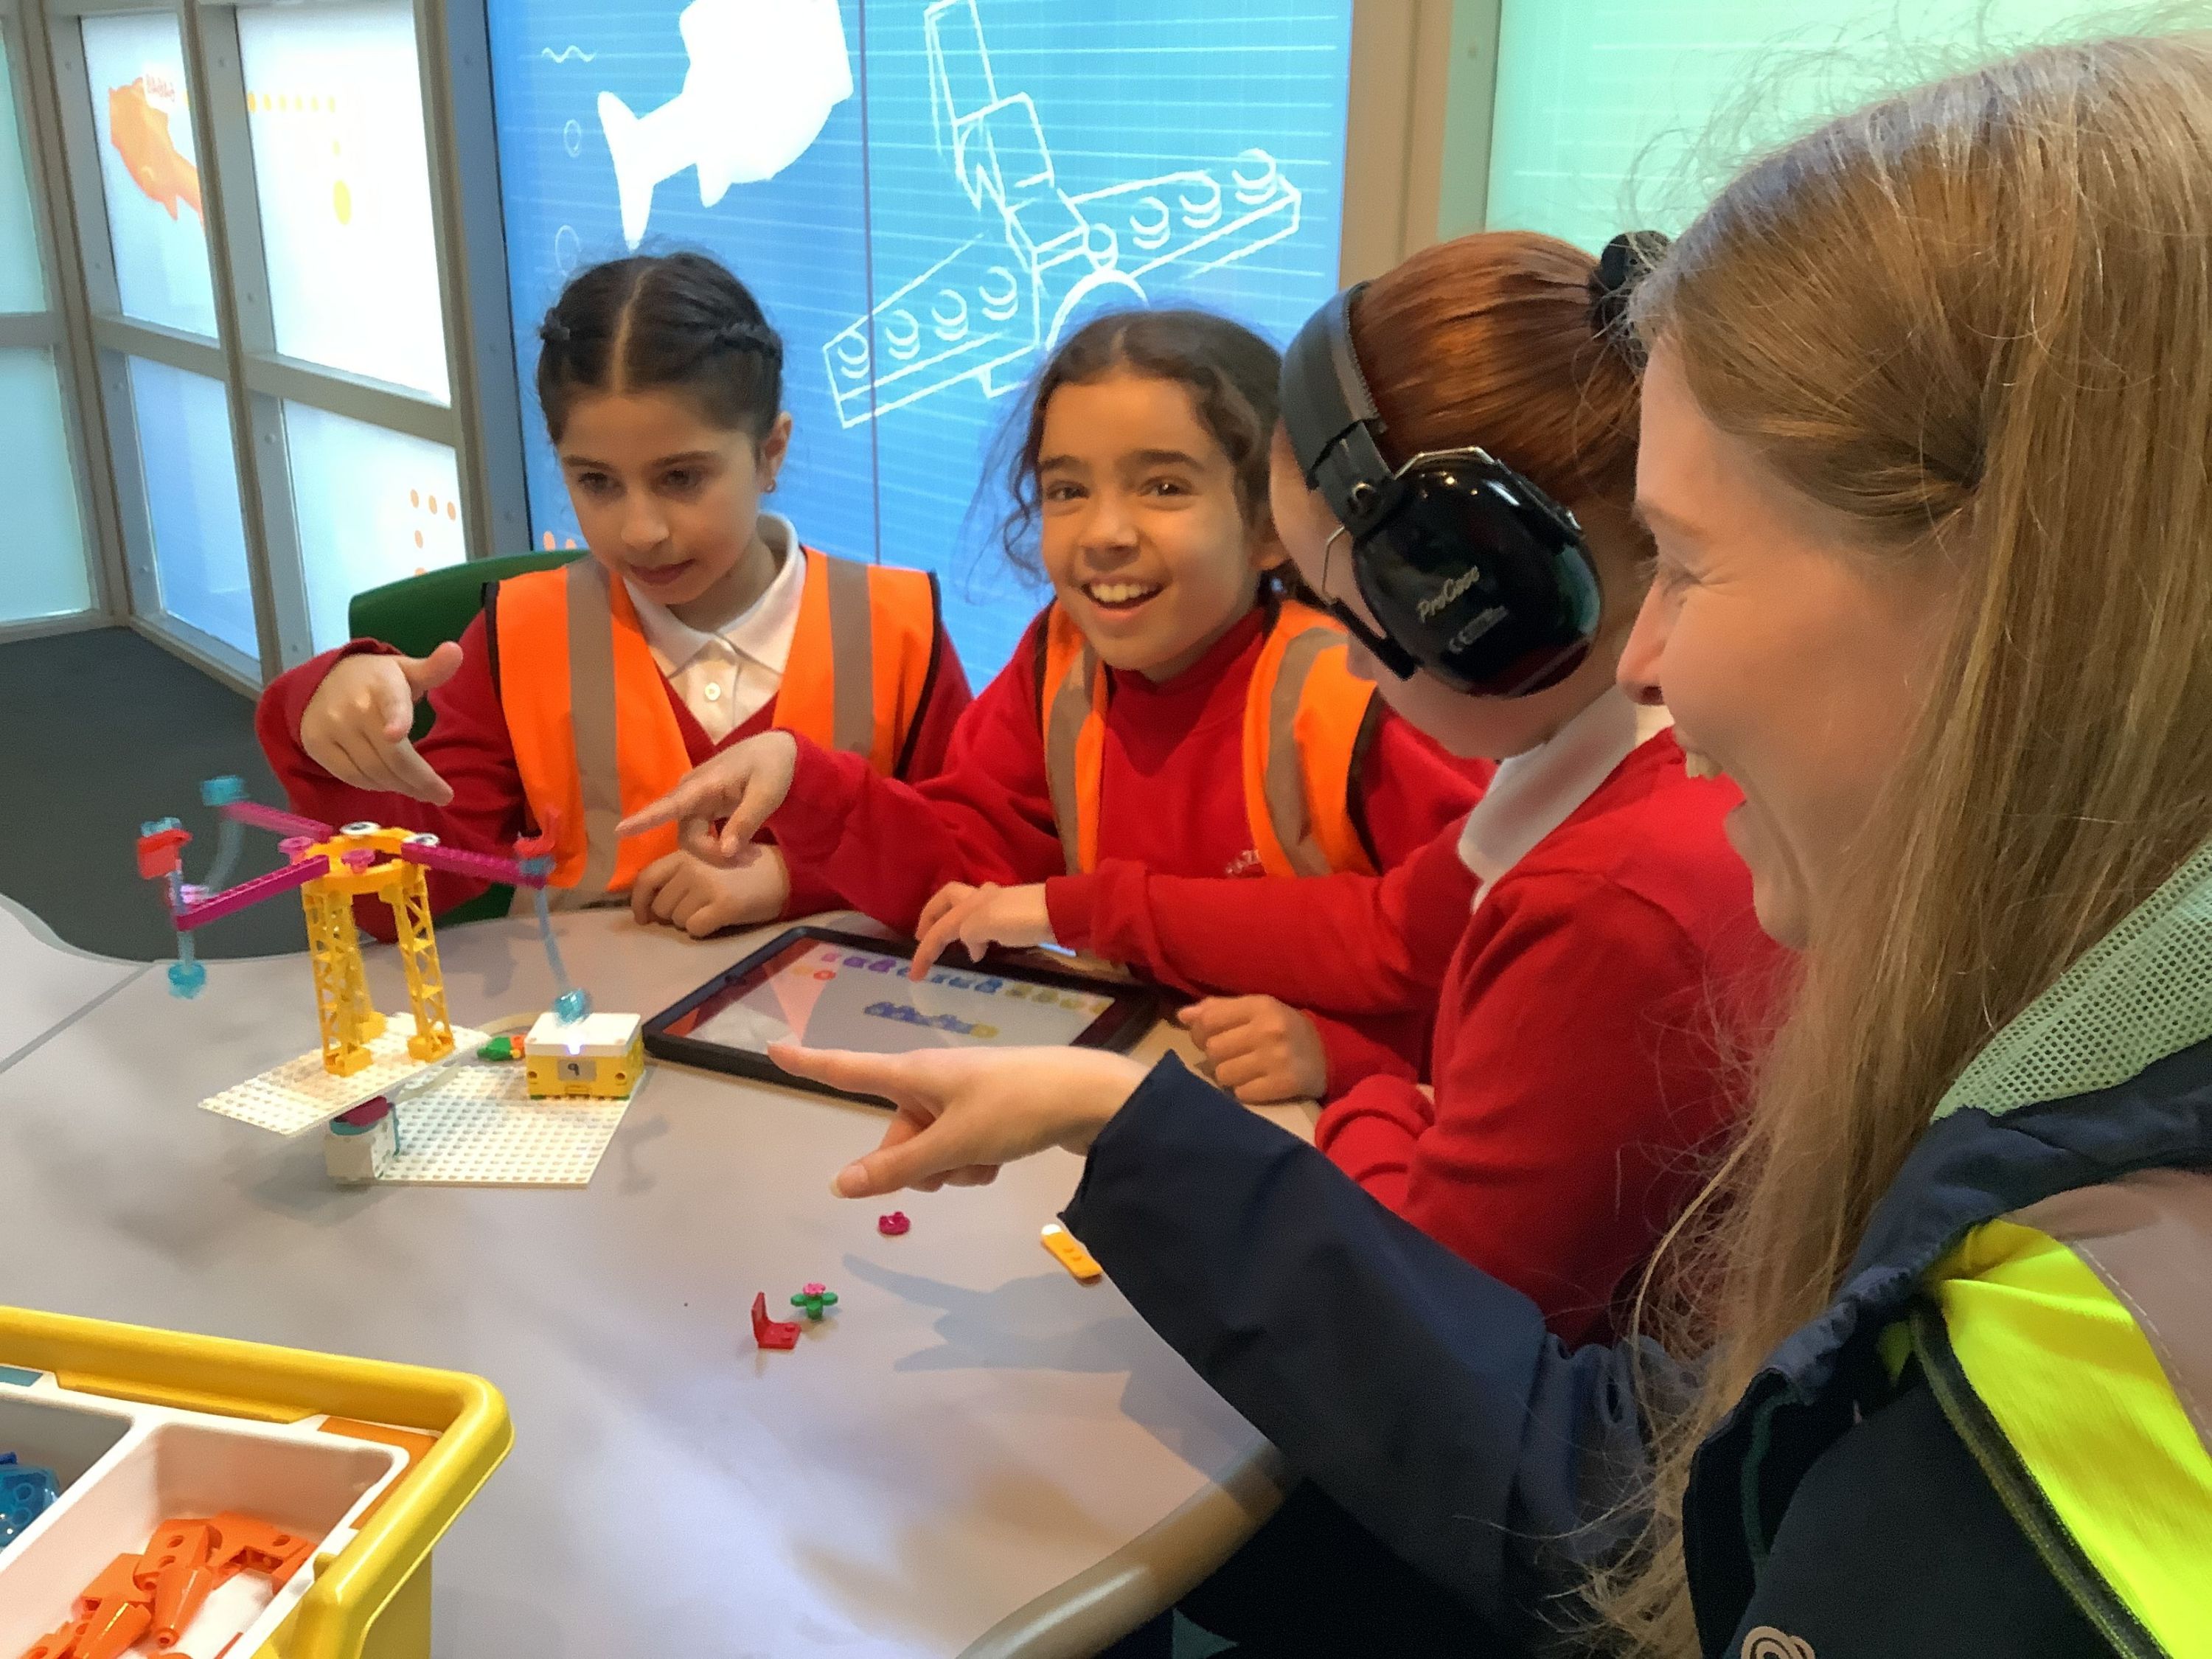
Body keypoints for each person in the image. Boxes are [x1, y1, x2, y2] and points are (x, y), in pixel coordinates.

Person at [768, 36, 2212, 1656]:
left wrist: (1353, 1087)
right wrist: (1129, 1080)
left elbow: (1503, 1400)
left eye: (1690, 561)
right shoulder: (2053, 1093)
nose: (1643, 657)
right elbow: (1645, 1417)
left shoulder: (2065, 1340)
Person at [886, 230, 1781, 1342]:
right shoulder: (1614, 764)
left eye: (1353, 613)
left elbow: (1424, 1318)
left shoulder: (1607, 907)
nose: (1353, 662)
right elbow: (1391, 932)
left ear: (1475, 605)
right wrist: (1086, 909)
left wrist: (1367, 1095)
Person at [622, 308, 1487, 1084]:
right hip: (1148, 1099)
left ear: (1271, 525)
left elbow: (1465, 953)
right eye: (1068, 490)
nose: (1104, 534)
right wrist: (807, 783)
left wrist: (1345, 1056)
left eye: (1165, 486)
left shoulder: (1359, 691)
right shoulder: (1060, 663)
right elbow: (963, 882)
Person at [257, 252, 972, 934]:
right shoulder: (521, 635)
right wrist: (323, 721)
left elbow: (966, 862)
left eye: (682, 478)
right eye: (596, 482)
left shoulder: (897, 631)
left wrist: (794, 880)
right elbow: (392, 898)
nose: (640, 531)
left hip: (849, 1012)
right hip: (591, 1015)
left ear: (770, 454)